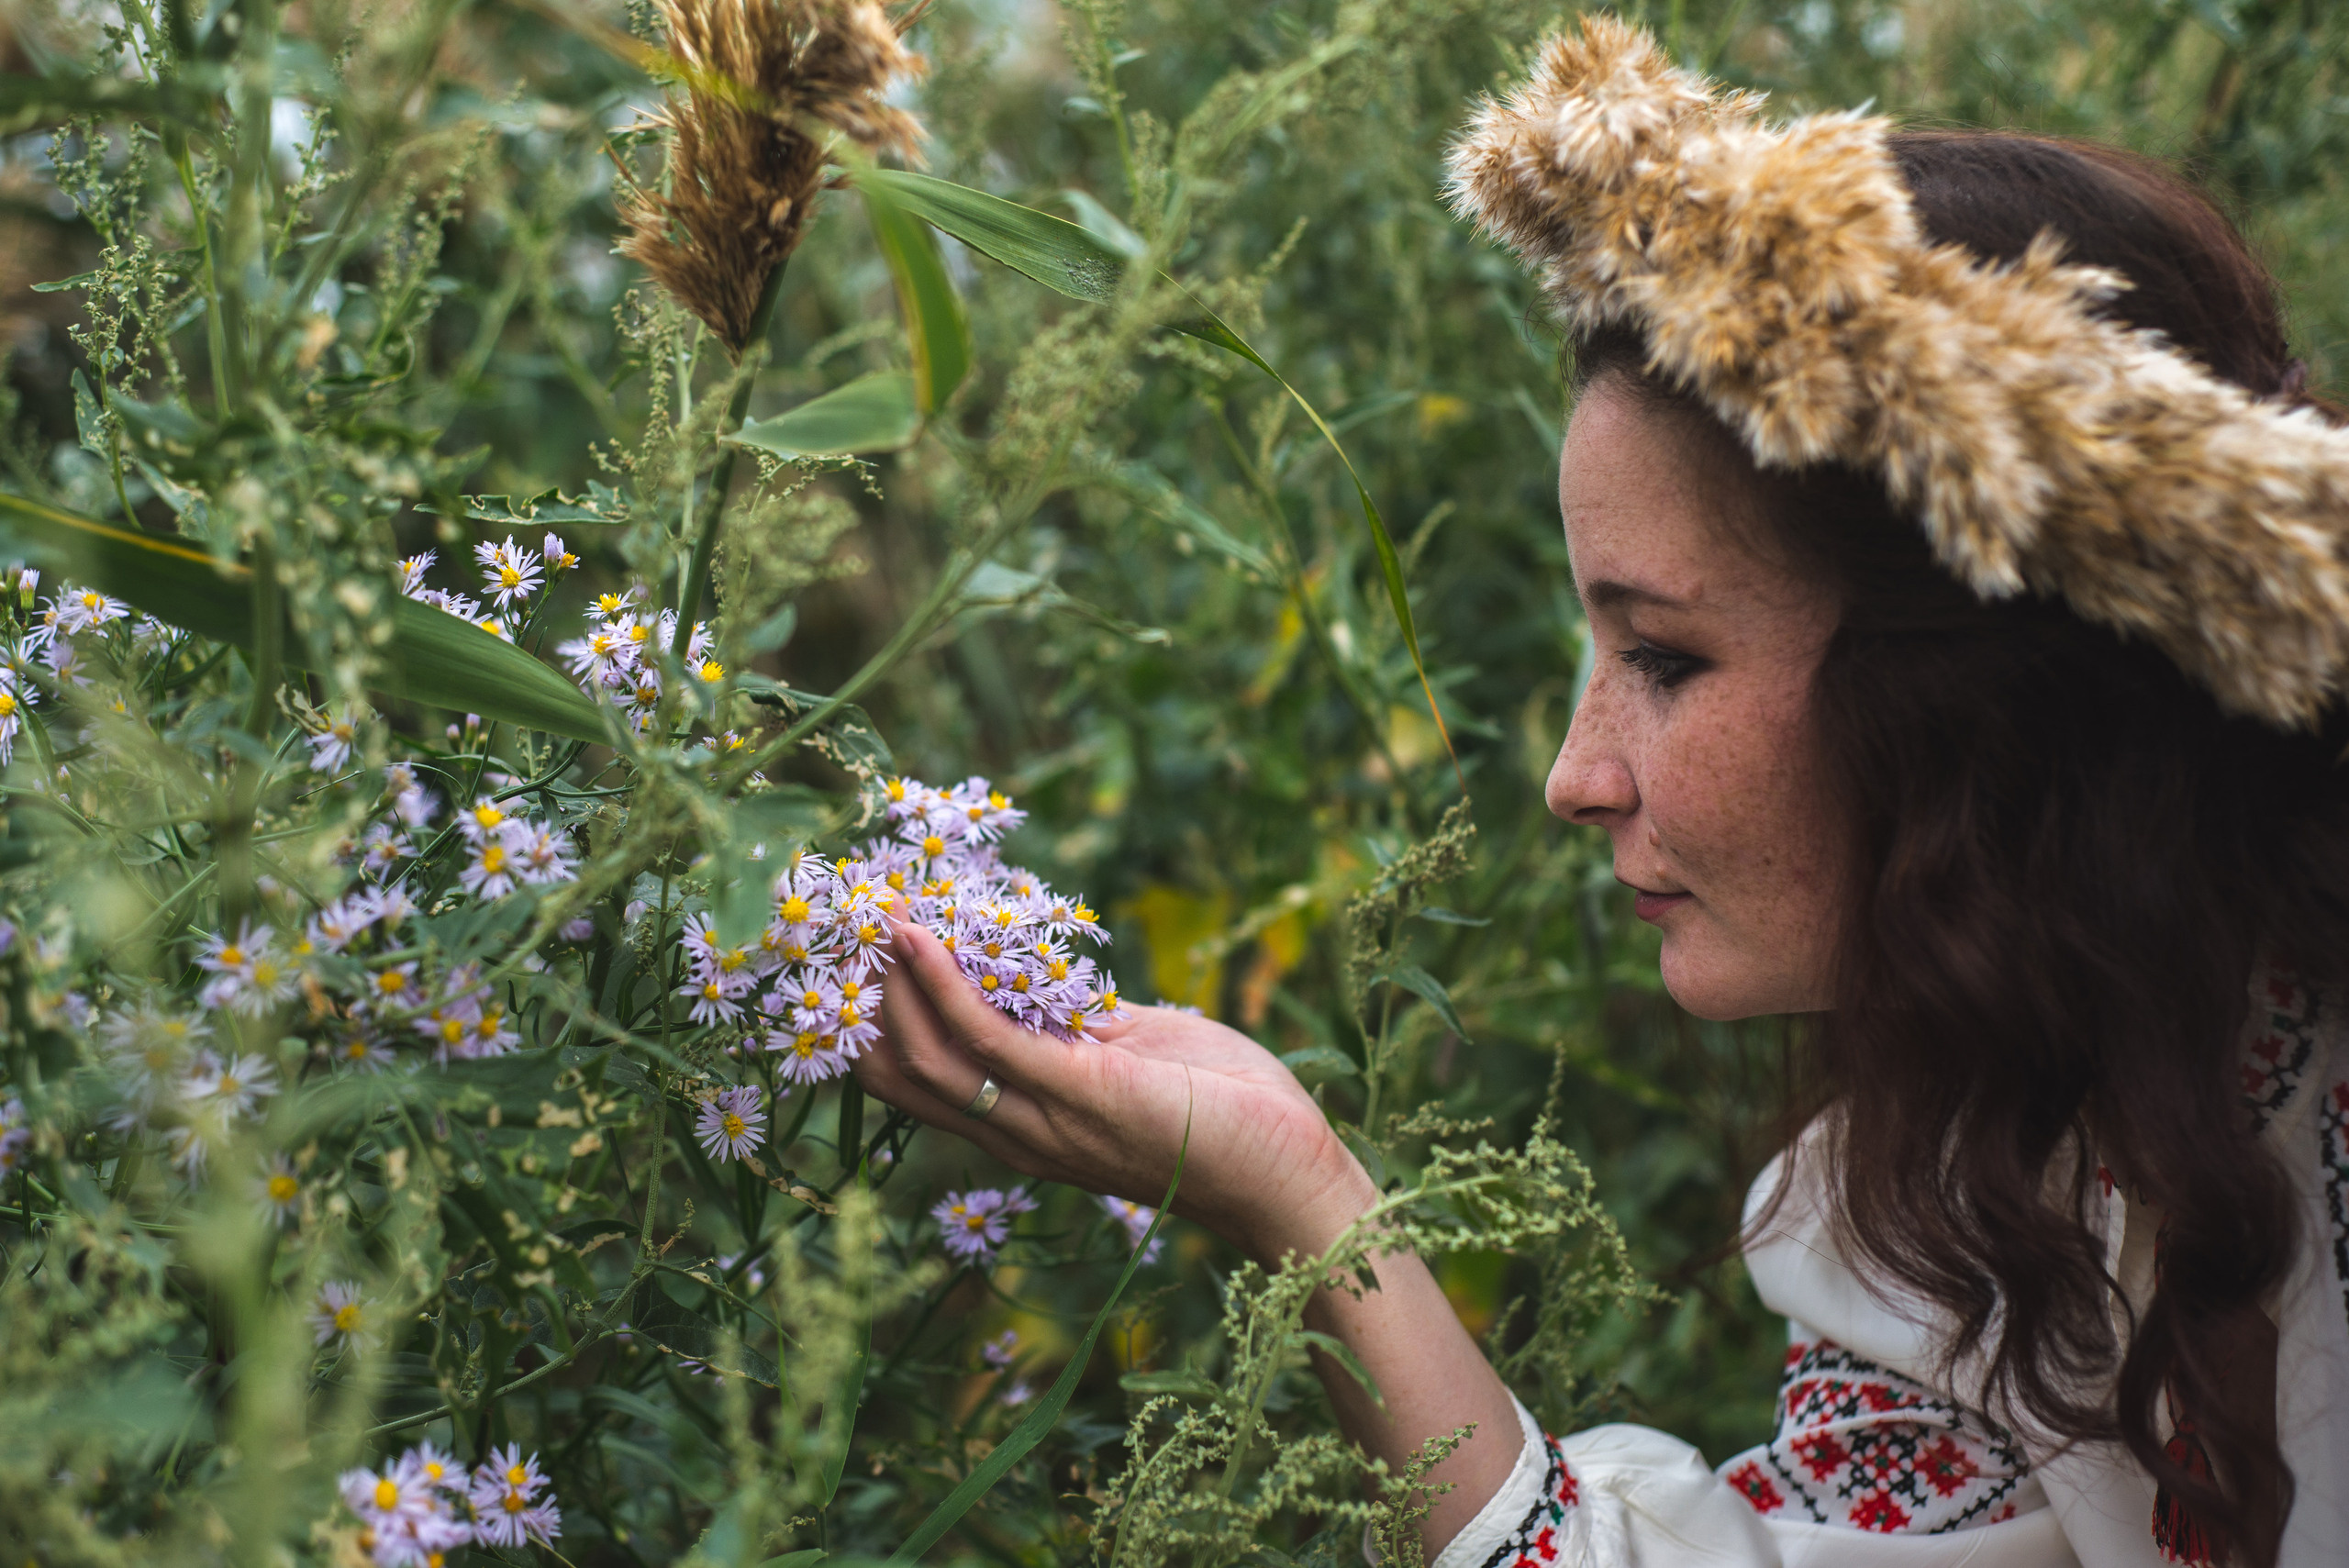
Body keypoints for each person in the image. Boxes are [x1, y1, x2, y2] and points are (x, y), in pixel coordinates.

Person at [852, 18, 2349, 1567]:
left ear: (1975, 687)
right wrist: (1301, 1194)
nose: (1573, 776)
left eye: (1665, 656)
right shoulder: (1980, 1189)